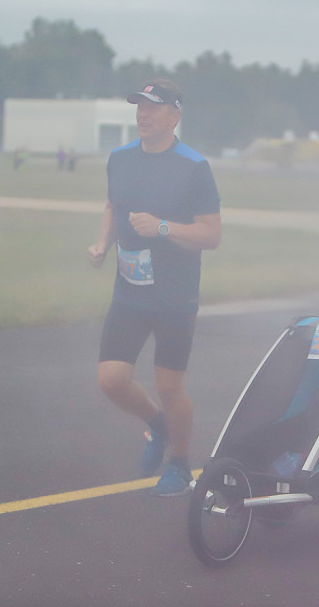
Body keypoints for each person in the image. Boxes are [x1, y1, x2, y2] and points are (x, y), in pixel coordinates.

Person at [87, 79, 221, 497]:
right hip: (130, 289)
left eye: (154, 108)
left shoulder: (194, 166)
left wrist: (163, 228)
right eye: (139, 108)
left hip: (174, 294)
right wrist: (102, 243)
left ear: (175, 116)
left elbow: (212, 235)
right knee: (110, 379)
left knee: (169, 386)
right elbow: (113, 205)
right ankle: (159, 425)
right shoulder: (121, 158)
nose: (143, 115)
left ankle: (180, 464)